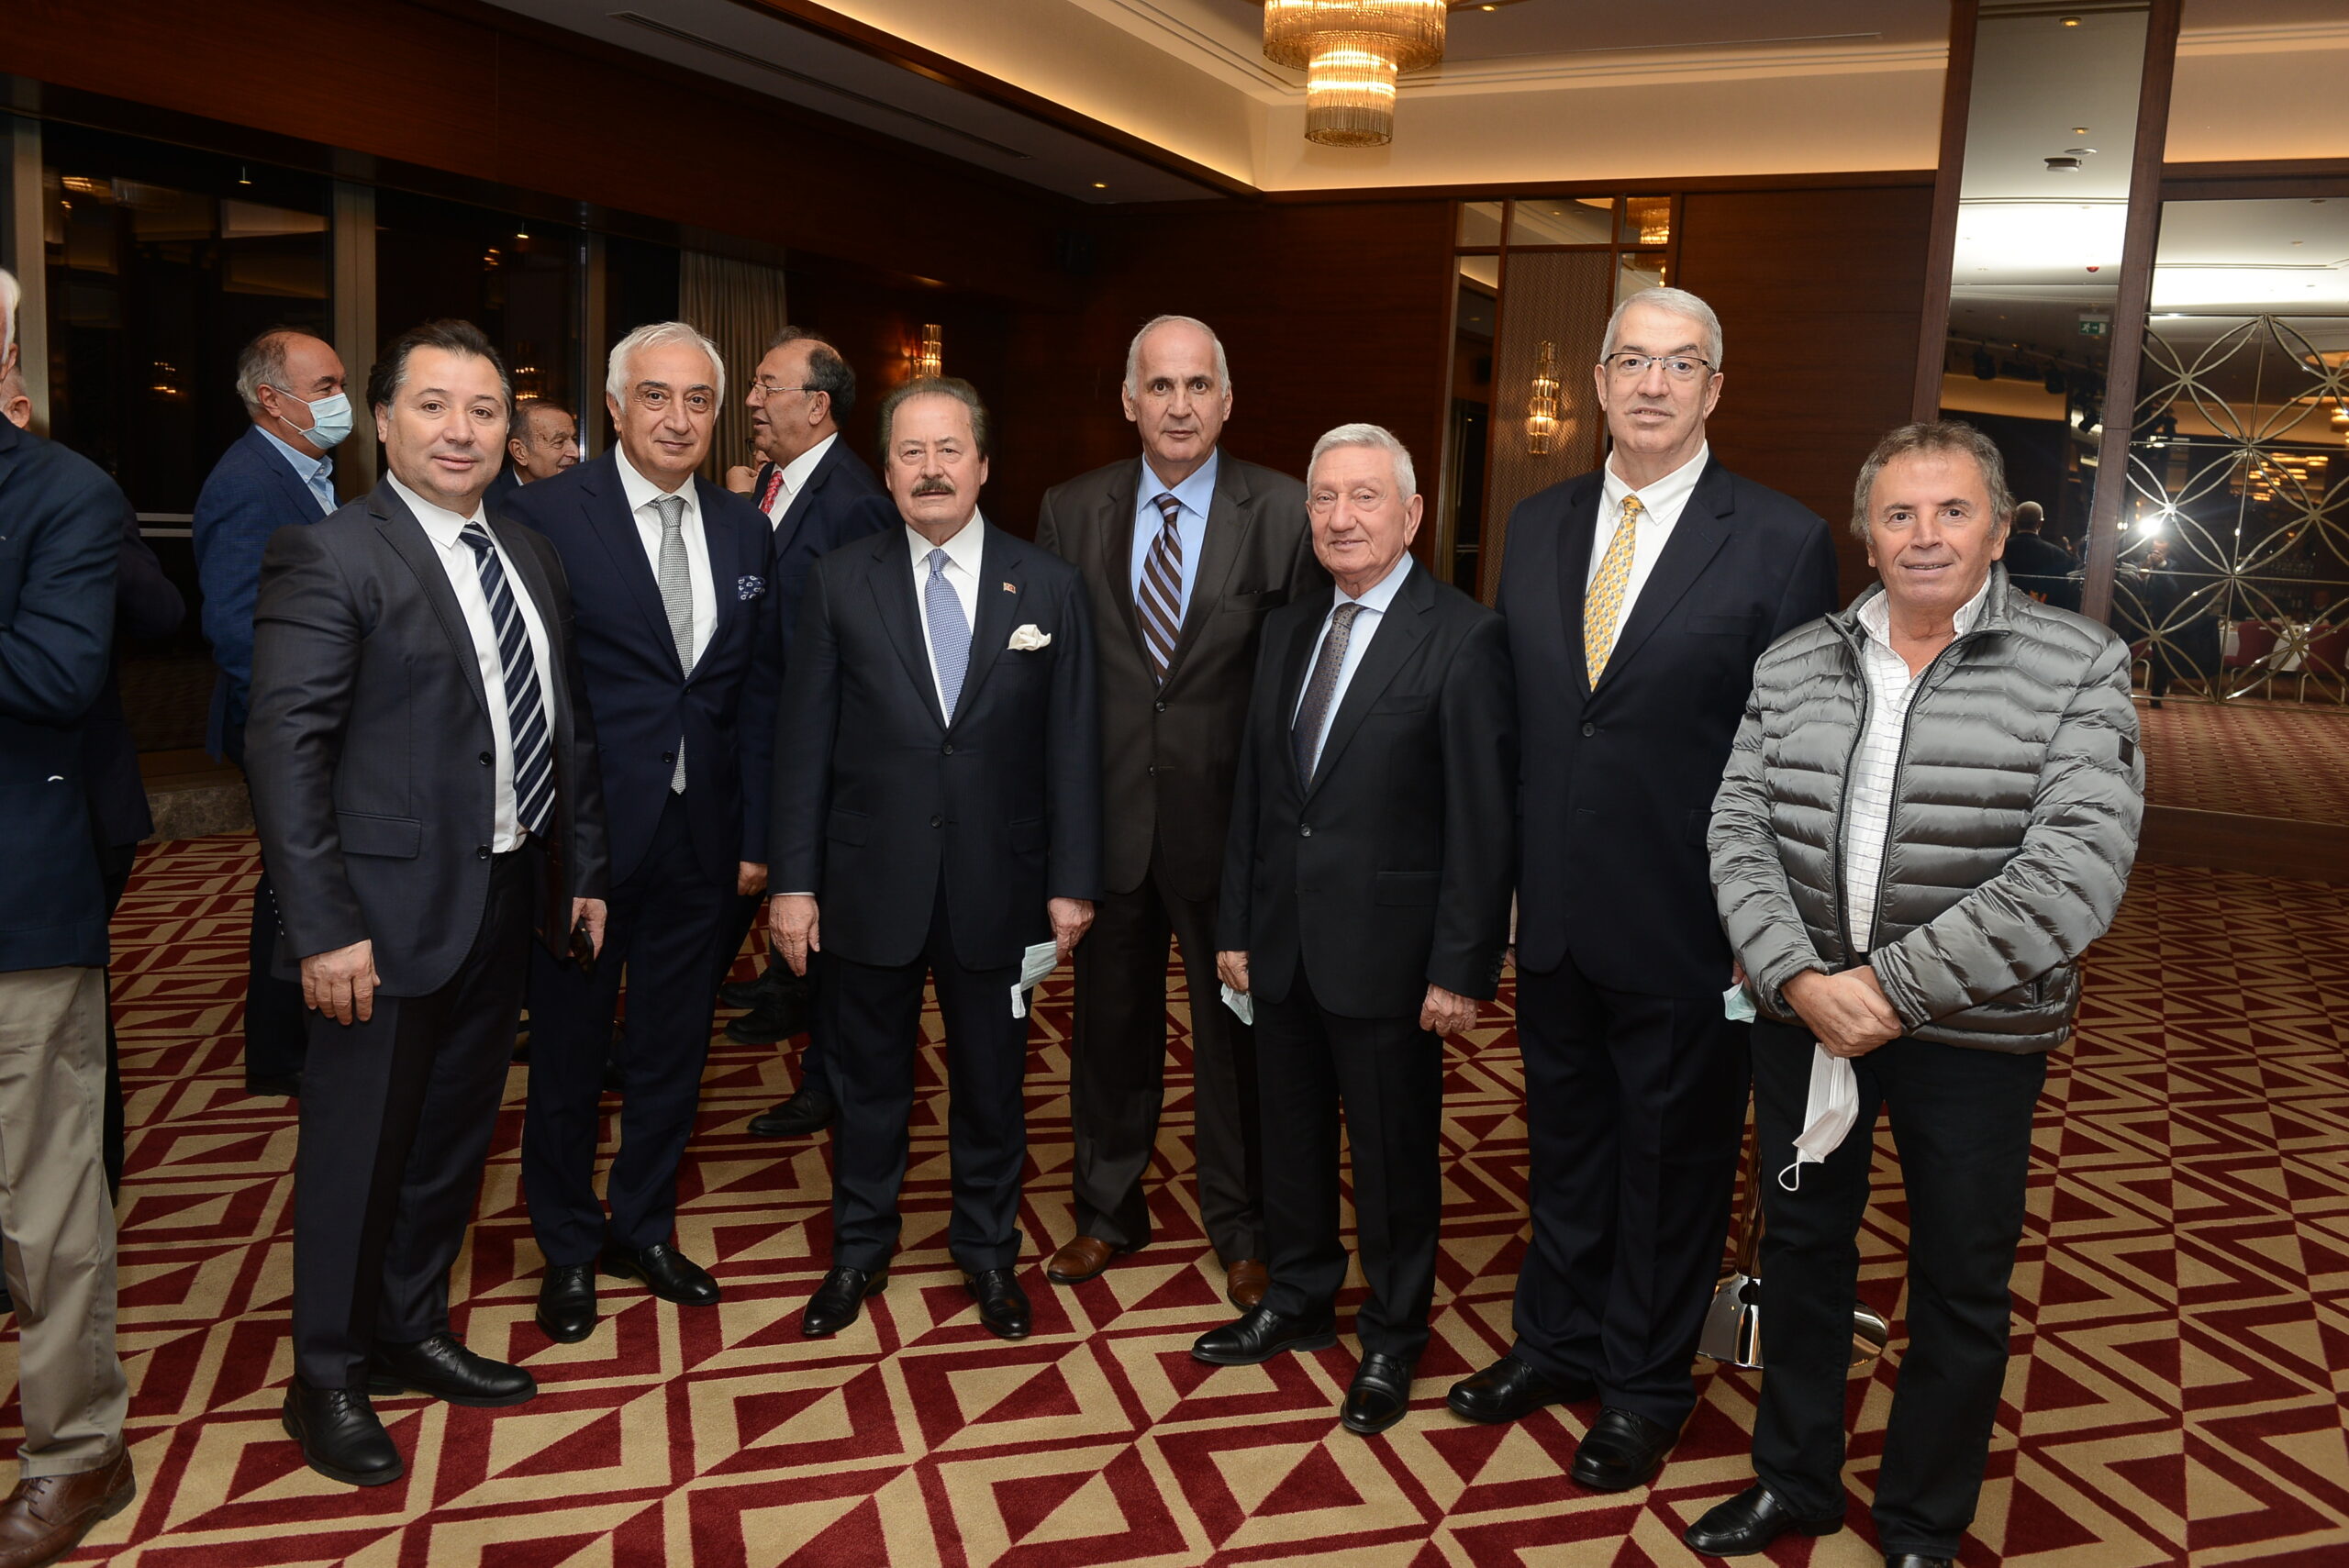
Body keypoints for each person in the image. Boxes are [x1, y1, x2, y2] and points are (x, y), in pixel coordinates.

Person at [1692, 420, 2143, 1568]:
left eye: (1952, 511)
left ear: (1997, 530)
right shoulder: (1794, 660)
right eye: (1899, 513)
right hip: (1803, 1022)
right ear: (1866, 531)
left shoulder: (2078, 664)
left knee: (1960, 1276)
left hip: (1973, 1034)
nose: (1924, 535)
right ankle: (1792, 1478)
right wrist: (1798, 978)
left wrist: (1881, 991)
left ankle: (1920, 1522)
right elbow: (1737, 827)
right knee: (1801, 1249)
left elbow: (2073, 874)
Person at [1455, 288, 1841, 1492]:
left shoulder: (1779, 538)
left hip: (1693, 921)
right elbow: (1523, 728)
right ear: (1599, 381)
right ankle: (1555, 1342)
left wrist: (1759, 925)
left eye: (1680, 364)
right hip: (1555, 915)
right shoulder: (1537, 523)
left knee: (1670, 1168)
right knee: (1565, 1145)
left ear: (1715, 389)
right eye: (1631, 360)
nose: (1652, 384)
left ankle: (1644, 1385)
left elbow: (1795, 756)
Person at [247, 319, 608, 1487]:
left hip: (503, 894)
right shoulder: (330, 552)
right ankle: (325, 1374)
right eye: (435, 406)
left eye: (485, 410)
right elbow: (285, 753)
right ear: (385, 421)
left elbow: (566, 727)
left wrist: (581, 870)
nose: (462, 430)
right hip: (377, 920)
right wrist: (323, 925)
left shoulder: (528, 551)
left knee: (452, 1138)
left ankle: (409, 1325)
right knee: (357, 1155)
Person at [1193, 424, 1514, 1437]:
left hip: (1392, 953)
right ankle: (1297, 1295)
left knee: (1390, 1156)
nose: (1340, 517)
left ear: (1411, 514)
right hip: (1282, 940)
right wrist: (1237, 922)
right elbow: (1259, 792)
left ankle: (1394, 1331)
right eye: (1324, 497)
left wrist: (1461, 965)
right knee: (1287, 1136)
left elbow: (1481, 821)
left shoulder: (1463, 634)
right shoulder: (1289, 627)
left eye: (1364, 497)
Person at [769, 377, 1099, 1342]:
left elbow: (1073, 746)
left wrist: (1072, 881)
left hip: (1000, 884)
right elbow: (803, 744)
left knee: (992, 1084)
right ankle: (858, 1247)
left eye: (949, 449)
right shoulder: (841, 580)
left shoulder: (1048, 585)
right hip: (867, 881)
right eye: (910, 452)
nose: (930, 469)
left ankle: (987, 1250)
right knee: (864, 1082)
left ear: (984, 464)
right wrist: (793, 882)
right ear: (886, 471)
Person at [1034, 315, 1319, 1309]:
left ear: (1227, 400)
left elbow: (1300, 696)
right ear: (1129, 400)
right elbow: (1057, 691)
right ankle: (1106, 1210)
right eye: (1160, 386)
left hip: (1228, 836)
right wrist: (1061, 844)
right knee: (1107, 1033)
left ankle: (1244, 1227)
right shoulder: (1071, 509)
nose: (1180, 405)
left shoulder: (1283, 511)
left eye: (1198, 385)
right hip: (1110, 828)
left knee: (1235, 1041)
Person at [506, 322, 778, 1344]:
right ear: (615, 408)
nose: (677, 418)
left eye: (698, 400)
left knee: (673, 1044)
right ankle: (568, 1245)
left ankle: (644, 1224)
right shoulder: (542, 514)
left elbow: (756, 692)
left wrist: (757, 833)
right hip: (586, 839)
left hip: (702, 836)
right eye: (655, 396)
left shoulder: (744, 526)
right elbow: (527, 689)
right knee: (570, 1050)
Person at [0, 267, 136, 1567]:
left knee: (43, 1203)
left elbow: (53, 672)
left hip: (16, 905)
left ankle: (79, 1446)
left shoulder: (62, 493)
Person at [2, 363, 186, 1196]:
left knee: (68, 1031)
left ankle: (93, 1185)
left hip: (75, 800)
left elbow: (159, 614)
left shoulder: (71, 499)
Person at [725, 328, 887, 1134]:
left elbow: (860, 653)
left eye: (768, 385)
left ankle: (831, 1081)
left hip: (817, 756)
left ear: (817, 405)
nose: (752, 400)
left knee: (830, 932)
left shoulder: (854, 501)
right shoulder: (774, 481)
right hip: (759, 741)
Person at [192, 327, 350, 1097]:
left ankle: (300, 1033)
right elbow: (235, 627)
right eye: (325, 388)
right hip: (287, 722)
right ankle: (280, 1048)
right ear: (271, 400)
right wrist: (299, 725)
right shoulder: (246, 482)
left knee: (303, 874)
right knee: (295, 875)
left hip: (320, 717)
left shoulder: (312, 471)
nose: (341, 400)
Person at [485, 399, 580, 510]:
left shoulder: (583, 493)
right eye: (559, 442)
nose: (575, 453)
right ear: (520, 452)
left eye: (574, 439)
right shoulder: (488, 504)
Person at [1997, 500, 2079, 611]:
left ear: (2015, 521)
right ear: (2040, 523)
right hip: (2044, 614)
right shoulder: (2058, 555)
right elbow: (2062, 597)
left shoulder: (1999, 550)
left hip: (2003, 610)